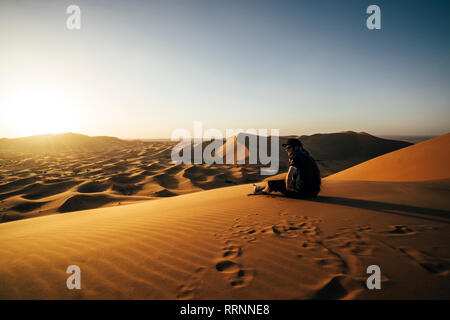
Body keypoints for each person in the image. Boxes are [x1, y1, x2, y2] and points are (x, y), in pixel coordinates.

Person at [253, 138, 321, 198]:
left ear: (296, 147)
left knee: (271, 184)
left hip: (302, 193)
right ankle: (260, 188)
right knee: (283, 182)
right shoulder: (306, 156)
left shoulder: (296, 157)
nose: (286, 150)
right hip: (313, 192)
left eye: (288, 147)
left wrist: (288, 187)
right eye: (286, 148)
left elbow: (289, 175)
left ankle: (262, 192)